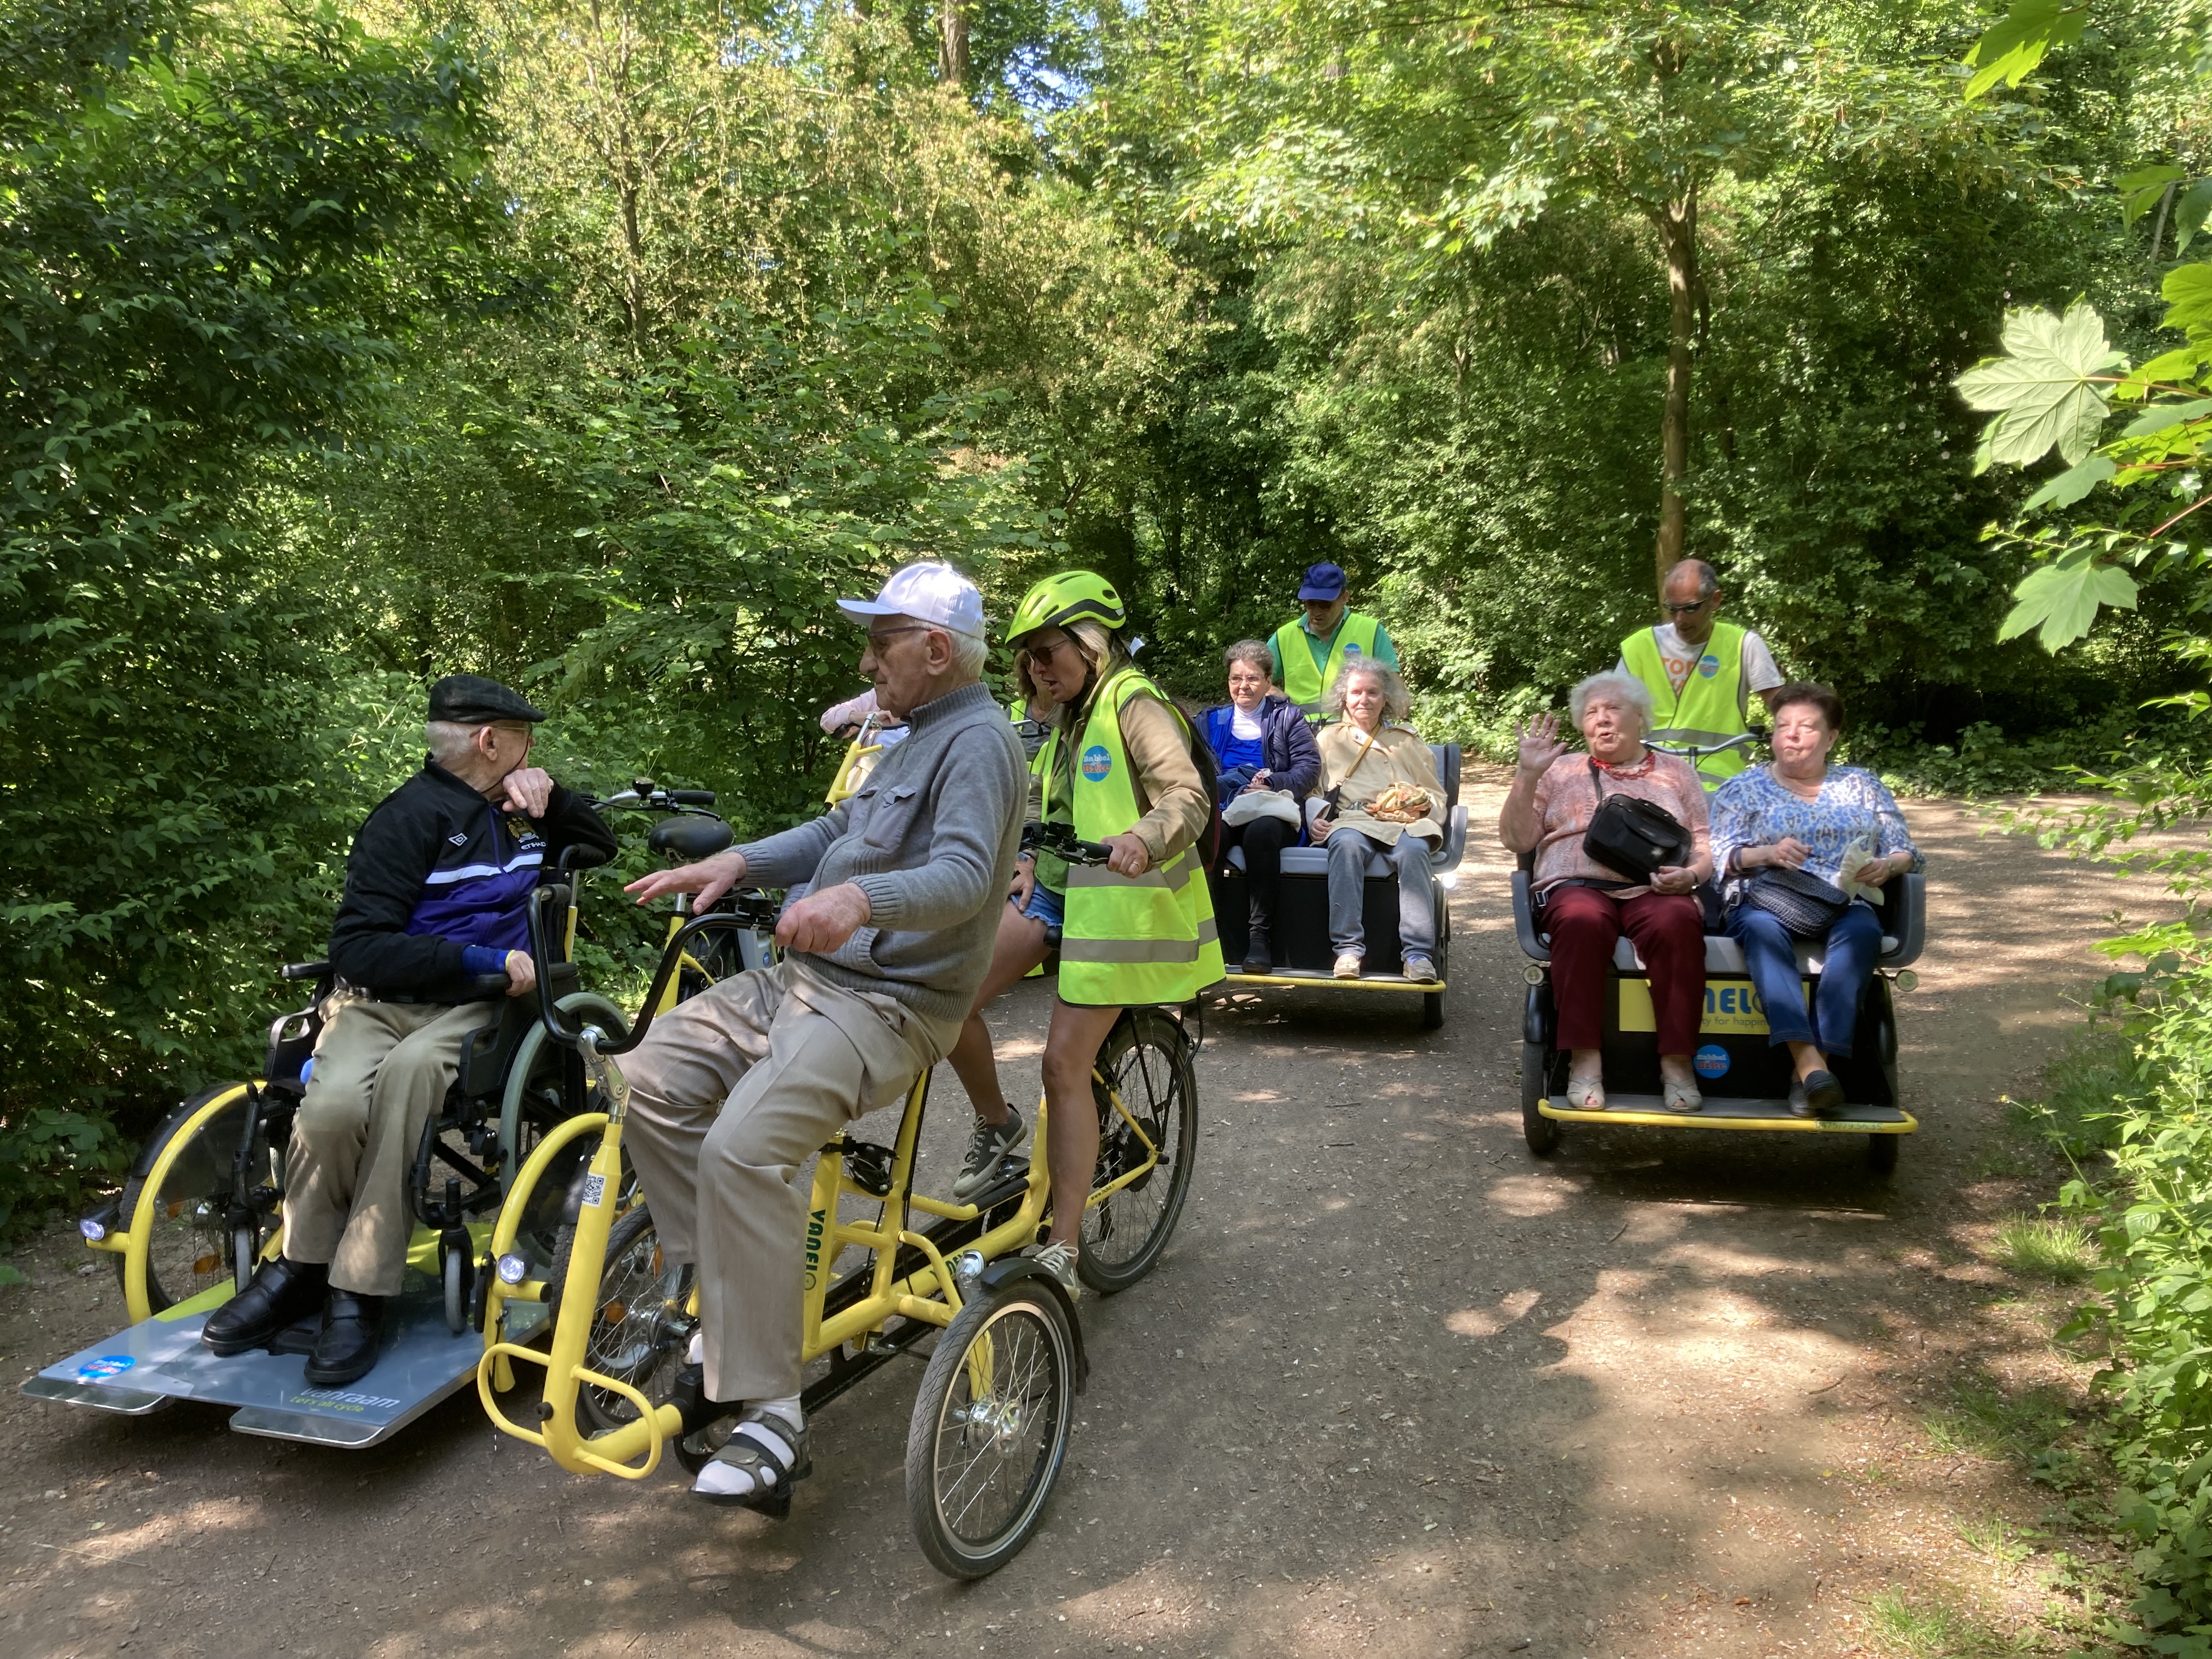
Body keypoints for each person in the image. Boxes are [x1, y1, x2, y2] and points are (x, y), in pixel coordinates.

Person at [617, 562, 1025, 1510]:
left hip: (886, 1001)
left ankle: (771, 1414)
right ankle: (722, 1298)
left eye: (880, 642)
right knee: (642, 1078)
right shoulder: (917, 729)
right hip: (804, 979)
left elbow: (968, 877)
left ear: (934, 648)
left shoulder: (981, 741)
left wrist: (857, 897)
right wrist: (735, 859)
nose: (865, 659)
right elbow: (843, 822)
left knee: (743, 1148)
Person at [200, 676, 618, 1385]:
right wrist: (480, 957)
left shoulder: (522, 809)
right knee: (329, 1110)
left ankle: (358, 1290)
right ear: (492, 741)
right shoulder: (406, 819)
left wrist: (554, 797)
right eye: (526, 738)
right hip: (380, 1001)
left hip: (477, 1011)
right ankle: (301, 1267)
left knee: (410, 1078)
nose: (532, 748)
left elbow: (598, 847)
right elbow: (358, 949)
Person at [941, 571, 1222, 1237]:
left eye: (1048, 651)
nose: (1037, 669)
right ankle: (998, 1125)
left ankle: (1061, 1247)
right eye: (1028, 657)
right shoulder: (1066, 716)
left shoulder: (1132, 701)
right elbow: (1050, 803)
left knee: (1061, 1064)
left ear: (1092, 644)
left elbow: (1186, 796)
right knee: (946, 1001)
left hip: (1120, 909)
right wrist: (1030, 858)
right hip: (1061, 897)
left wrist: (1141, 837)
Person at [1498, 671, 1713, 1112]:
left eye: (1613, 709)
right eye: (1592, 713)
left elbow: (1706, 844)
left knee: (1678, 922)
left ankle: (1677, 1064)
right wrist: (1526, 775)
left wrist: (1691, 878)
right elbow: (1517, 840)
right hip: (1575, 885)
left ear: (1640, 718)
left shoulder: (1677, 772)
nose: (1602, 720)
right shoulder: (1559, 770)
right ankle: (1584, 1061)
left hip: (1654, 888)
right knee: (1580, 919)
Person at [1709, 682, 1922, 1118]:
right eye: (1783, 726)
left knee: (1863, 932)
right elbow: (1720, 857)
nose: (1792, 735)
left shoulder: (1862, 785)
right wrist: (1767, 853)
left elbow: (1907, 850)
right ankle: (1810, 1065)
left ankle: (1809, 1075)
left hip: (1845, 898)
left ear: (1831, 737)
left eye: (1807, 727)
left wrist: (1889, 866)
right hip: (1767, 896)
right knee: (1762, 933)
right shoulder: (1742, 788)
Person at [1310, 659, 1444, 984]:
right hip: (1353, 819)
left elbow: (1436, 794)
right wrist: (1315, 818)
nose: (1364, 700)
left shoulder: (1405, 740)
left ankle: (1418, 955)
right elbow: (1312, 790)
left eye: (1373, 692)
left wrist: (1419, 802)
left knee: (1415, 852)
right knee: (1345, 845)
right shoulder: (1328, 740)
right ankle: (1348, 950)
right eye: (1356, 692)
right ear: (1344, 697)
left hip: (1405, 821)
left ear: (1386, 699)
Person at [1201, 641, 1320, 973]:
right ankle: (1212, 938)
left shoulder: (1289, 719)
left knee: (1261, 832)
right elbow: (1193, 770)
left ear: (1269, 682)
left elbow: (1308, 768)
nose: (1243, 686)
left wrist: (1271, 783)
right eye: (1236, 678)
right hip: (1225, 807)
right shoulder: (1210, 721)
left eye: (1253, 678)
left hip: (1272, 807)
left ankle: (1259, 939)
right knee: (1208, 836)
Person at [1617, 558, 1785, 790]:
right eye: (1672, 609)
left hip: (1721, 785)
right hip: (1648, 779)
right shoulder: (1639, 647)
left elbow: (1785, 709)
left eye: (1690, 608)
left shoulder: (1744, 645)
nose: (1680, 619)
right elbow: (1611, 711)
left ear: (1715, 600)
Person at [1267, 561, 1400, 708]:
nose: (1317, 611)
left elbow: (1395, 687)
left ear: (1345, 598)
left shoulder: (1372, 630)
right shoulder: (1284, 636)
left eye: (1325, 604)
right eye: (1310, 603)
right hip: (1297, 728)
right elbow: (1253, 678)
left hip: (1355, 728)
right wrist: (1281, 699)